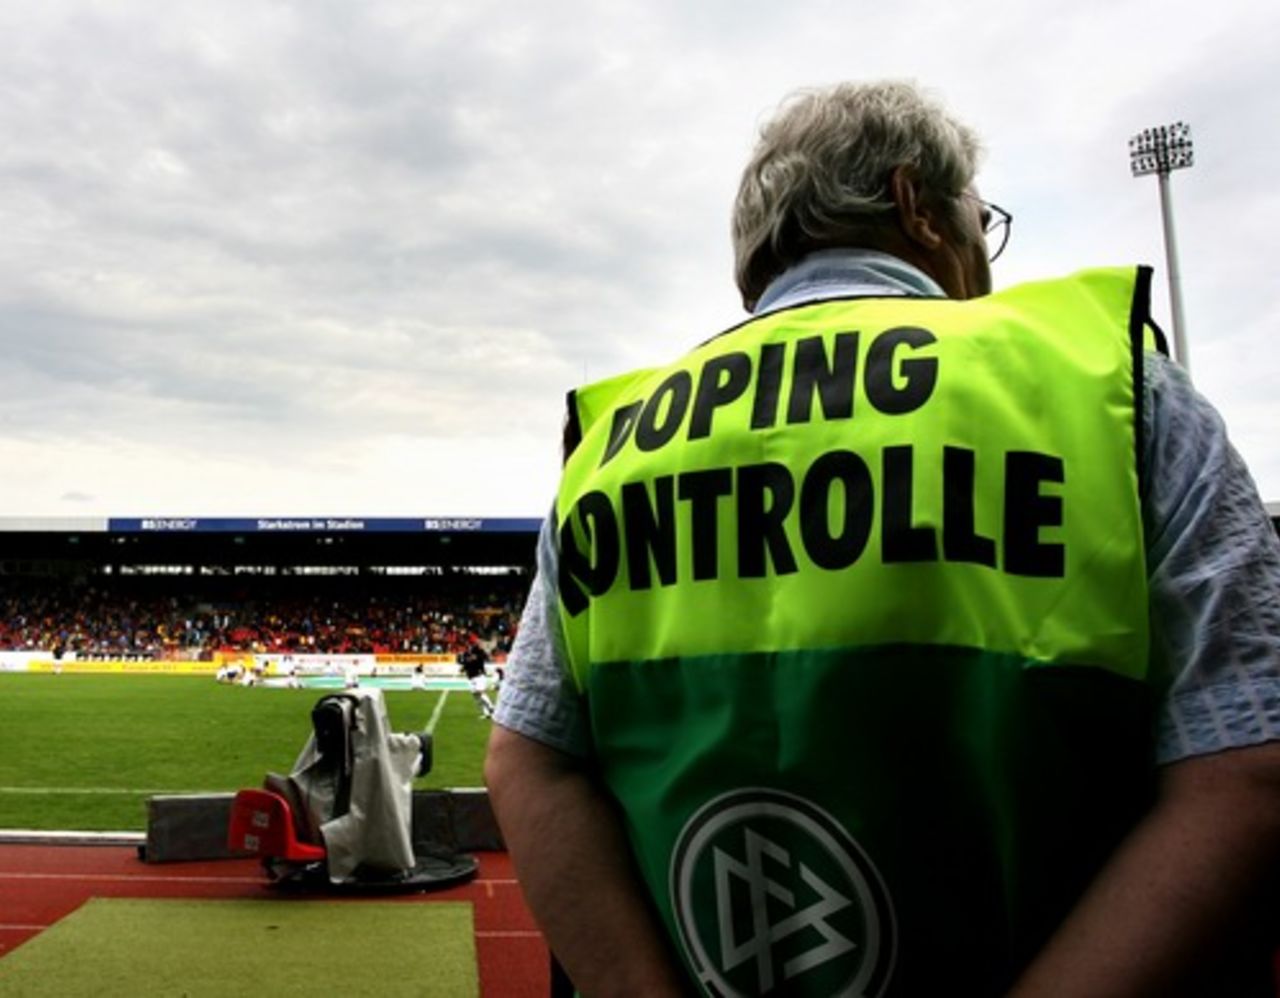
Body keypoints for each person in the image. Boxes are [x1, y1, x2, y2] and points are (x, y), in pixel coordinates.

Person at [485, 80, 1280, 996]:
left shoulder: (614, 439)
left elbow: (529, 760)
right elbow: (1248, 763)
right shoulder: (1115, 391)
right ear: (916, 206)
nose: (987, 251)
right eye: (984, 221)